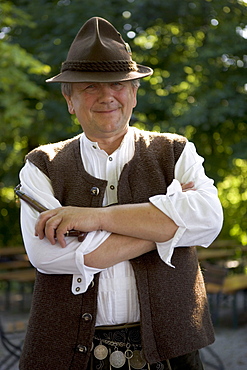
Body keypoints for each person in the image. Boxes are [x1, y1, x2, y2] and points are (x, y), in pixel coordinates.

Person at [18, 17, 223, 370]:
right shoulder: (41, 165)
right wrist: (169, 225)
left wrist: (92, 217)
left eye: (117, 84)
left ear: (134, 94)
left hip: (173, 355)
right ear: (70, 99)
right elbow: (48, 257)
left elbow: (209, 220)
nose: (106, 96)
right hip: (68, 356)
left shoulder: (175, 151)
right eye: (90, 87)